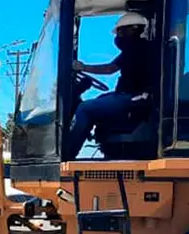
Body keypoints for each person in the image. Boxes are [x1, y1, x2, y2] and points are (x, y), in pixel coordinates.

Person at [66, 12, 154, 159]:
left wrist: (83, 67)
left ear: (133, 29)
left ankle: (67, 154)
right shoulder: (140, 48)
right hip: (132, 96)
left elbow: (110, 68)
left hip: (131, 97)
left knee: (85, 109)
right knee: (100, 100)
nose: (118, 36)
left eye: (120, 32)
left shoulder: (137, 48)